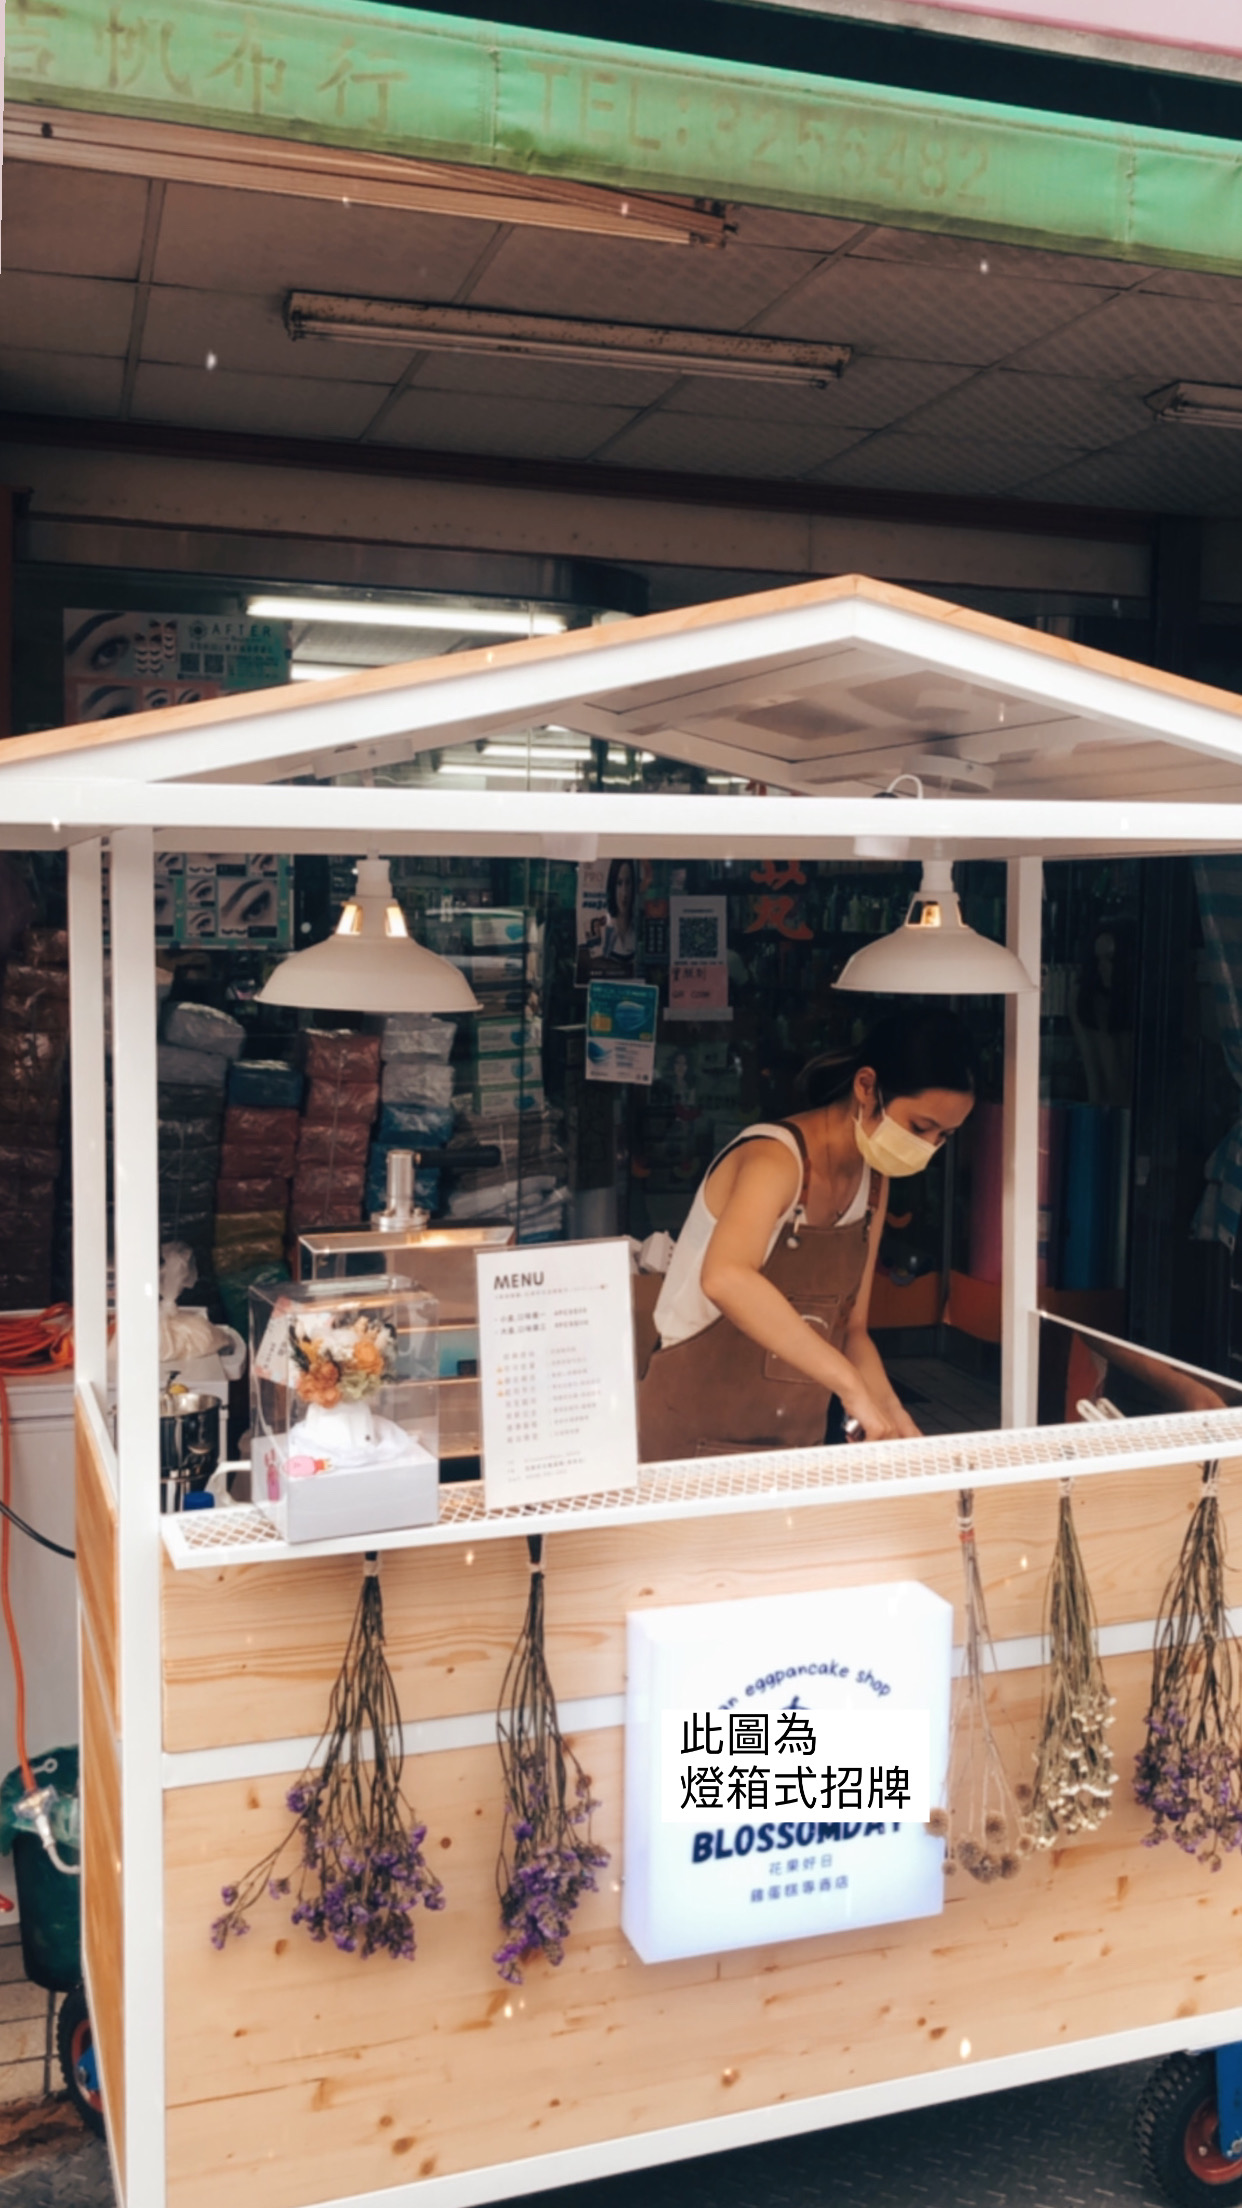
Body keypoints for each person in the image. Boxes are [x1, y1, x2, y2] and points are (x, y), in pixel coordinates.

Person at [637, 1008, 976, 1462]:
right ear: (867, 1087)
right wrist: (850, 1387)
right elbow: (725, 1277)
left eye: (945, 1136)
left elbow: (853, 1331)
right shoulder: (775, 1158)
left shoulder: (874, 1183)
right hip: (692, 1435)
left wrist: (893, 1417)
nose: (929, 1147)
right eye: (920, 1127)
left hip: (795, 1444)